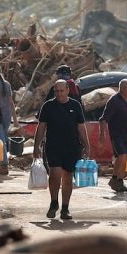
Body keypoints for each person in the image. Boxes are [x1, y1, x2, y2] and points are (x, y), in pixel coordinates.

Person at [34, 80, 90, 220]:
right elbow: (41, 127)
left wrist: (87, 146)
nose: (59, 94)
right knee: (55, 174)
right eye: (56, 91)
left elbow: (81, 128)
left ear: (67, 90)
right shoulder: (48, 106)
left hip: (72, 147)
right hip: (53, 146)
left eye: (61, 91)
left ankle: (65, 208)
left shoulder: (75, 105)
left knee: (68, 177)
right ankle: (54, 203)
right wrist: (36, 146)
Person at [99, 79, 127, 193]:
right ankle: (117, 180)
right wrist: (102, 134)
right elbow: (103, 119)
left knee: (126, 158)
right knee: (122, 156)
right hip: (117, 134)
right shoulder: (114, 101)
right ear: (123, 88)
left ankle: (117, 180)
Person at [0, 63, 19, 175]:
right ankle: (1, 163)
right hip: (7, 115)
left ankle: (4, 165)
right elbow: (11, 102)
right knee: (2, 138)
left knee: (0, 139)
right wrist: (15, 119)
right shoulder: (6, 84)